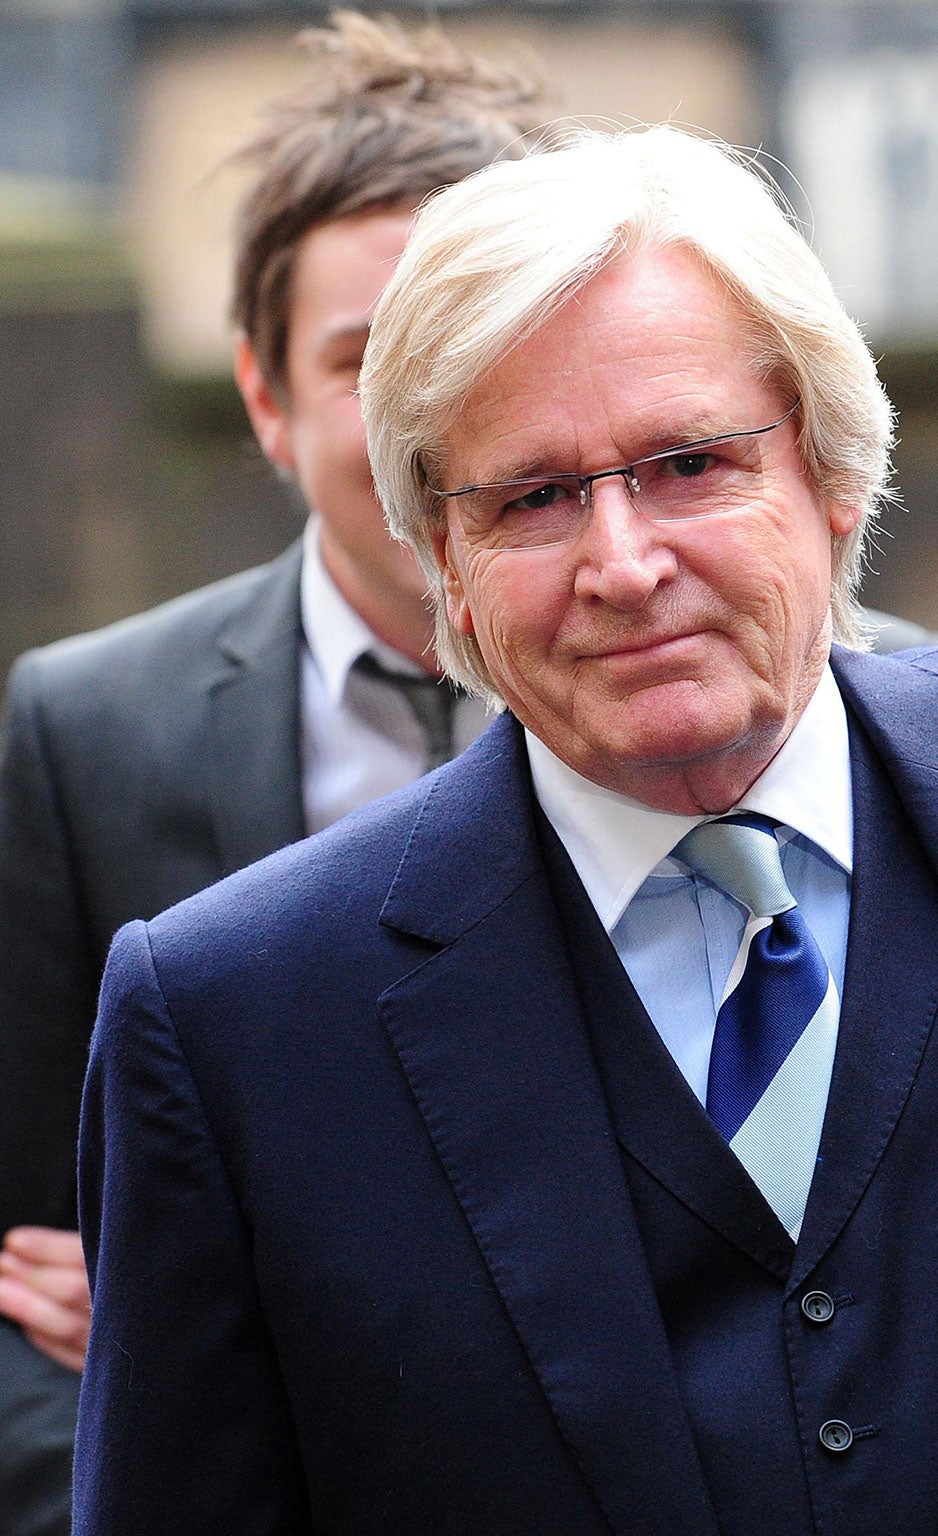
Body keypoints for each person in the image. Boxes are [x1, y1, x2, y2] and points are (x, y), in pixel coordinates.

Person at [74, 124, 938, 1535]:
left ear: (834, 478)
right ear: (446, 569)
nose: (625, 565)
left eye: (690, 465)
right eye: (531, 497)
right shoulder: (236, 1026)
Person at [0, 17, 539, 1534]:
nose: (420, 424)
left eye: (479, 346)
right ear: (260, 395)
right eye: (367, 360)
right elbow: (25, 1275)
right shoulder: (91, 728)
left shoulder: (831, 690)